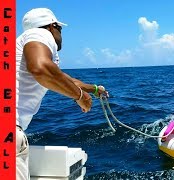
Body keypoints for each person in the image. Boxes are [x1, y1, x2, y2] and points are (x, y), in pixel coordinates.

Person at [16, 8, 108, 180]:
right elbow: (41, 69)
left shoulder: (23, 47)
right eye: (60, 28)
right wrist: (81, 97)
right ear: (52, 26)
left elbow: (64, 79)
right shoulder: (40, 34)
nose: (60, 34)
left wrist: (95, 90)